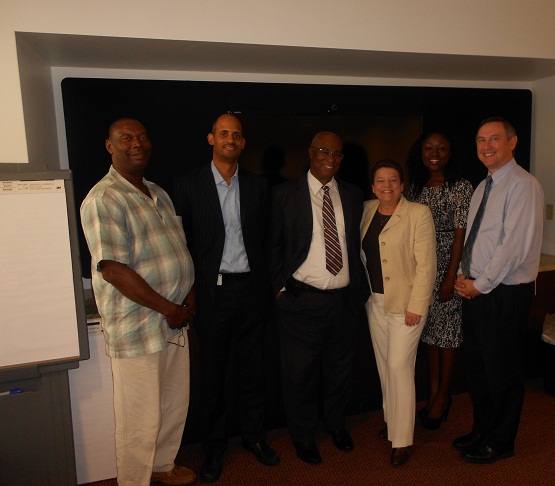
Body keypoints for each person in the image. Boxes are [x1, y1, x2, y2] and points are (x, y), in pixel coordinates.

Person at [80, 118, 196, 486]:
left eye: (143, 137)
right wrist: (169, 308)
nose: (137, 144)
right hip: (139, 327)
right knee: (138, 417)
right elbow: (113, 268)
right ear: (109, 146)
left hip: (174, 320)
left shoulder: (157, 191)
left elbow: (177, 250)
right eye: (126, 138)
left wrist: (188, 294)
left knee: (173, 404)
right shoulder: (104, 198)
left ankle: (162, 465)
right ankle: (133, 481)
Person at [172, 114, 279, 482]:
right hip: (210, 294)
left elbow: (267, 240)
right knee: (212, 380)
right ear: (211, 139)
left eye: (236, 135)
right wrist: (188, 293)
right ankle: (214, 450)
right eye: (223, 134)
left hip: (252, 291)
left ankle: (254, 438)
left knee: (253, 375)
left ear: (243, 143)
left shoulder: (258, 185)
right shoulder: (188, 185)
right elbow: (180, 246)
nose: (230, 139)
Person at [269, 131, 370, 465]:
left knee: (340, 371)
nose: (331, 157)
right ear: (311, 152)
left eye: (338, 153)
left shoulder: (355, 196)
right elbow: (272, 246)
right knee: (299, 375)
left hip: (343, 301)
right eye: (324, 150)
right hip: (300, 302)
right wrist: (280, 290)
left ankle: (336, 426)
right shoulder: (285, 194)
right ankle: (302, 435)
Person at [454, 117, 544, 464]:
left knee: (503, 372)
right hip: (477, 291)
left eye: (494, 139)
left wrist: (480, 285)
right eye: (480, 140)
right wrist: (465, 276)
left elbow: (512, 247)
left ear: (513, 142)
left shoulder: (523, 185)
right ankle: (482, 431)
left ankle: (501, 441)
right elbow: (477, 239)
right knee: (478, 370)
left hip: (503, 294)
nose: (486, 146)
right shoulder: (483, 186)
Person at [361, 158, 436, 466]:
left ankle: (402, 440)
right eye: (380, 180)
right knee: (384, 366)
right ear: (373, 186)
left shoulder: (418, 213)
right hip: (375, 302)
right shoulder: (366, 210)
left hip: (406, 306)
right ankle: (392, 422)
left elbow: (427, 265)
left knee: (398, 367)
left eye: (393, 180)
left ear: (402, 185)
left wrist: (417, 306)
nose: (387, 186)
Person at [406, 129, 473, 430]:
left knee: (447, 335)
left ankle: (445, 395)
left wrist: (449, 277)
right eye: (429, 148)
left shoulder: (460, 187)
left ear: (450, 153)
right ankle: (433, 392)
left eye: (442, 149)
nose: (435, 153)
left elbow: (460, 235)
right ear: (420, 153)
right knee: (430, 334)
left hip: (447, 266)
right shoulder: (414, 188)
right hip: (421, 269)